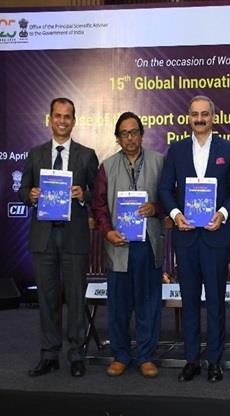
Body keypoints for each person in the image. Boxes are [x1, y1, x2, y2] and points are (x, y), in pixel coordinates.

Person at [158, 96, 230, 383]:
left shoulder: (227, 150)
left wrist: (222, 213)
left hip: (215, 238)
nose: (199, 119)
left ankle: (214, 361)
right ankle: (192, 360)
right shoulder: (177, 150)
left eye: (204, 114)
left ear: (213, 117)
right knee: (190, 302)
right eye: (195, 114)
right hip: (186, 238)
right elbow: (165, 189)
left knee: (217, 302)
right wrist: (175, 214)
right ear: (188, 118)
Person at [19, 97, 99, 378]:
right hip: (44, 237)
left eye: (67, 116)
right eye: (58, 116)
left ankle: (77, 355)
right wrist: (30, 195)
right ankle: (49, 354)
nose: (62, 121)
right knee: (47, 297)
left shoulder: (86, 155)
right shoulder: (35, 154)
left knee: (76, 297)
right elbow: (22, 190)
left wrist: (83, 194)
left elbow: (98, 195)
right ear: (50, 119)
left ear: (73, 121)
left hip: (74, 236)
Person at [91, 112, 164, 378]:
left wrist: (156, 207)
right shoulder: (107, 166)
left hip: (148, 245)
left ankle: (145, 356)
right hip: (118, 246)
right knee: (119, 306)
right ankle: (120, 355)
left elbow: (172, 197)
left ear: (142, 135)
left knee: (148, 303)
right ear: (118, 138)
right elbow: (98, 206)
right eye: (124, 133)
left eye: (134, 132)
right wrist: (108, 232)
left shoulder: (159, 162)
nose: (130, 138)